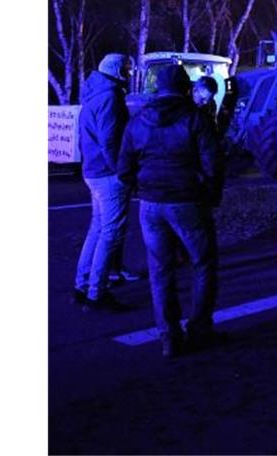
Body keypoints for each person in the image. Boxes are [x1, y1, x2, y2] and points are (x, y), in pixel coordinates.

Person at [118, 65, 224, 358]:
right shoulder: (196, 119)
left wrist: (141, 188)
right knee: (203, 263)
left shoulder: (138, 121)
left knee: (160, 269)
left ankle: (169, 336)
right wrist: (211, 196)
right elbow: (213, 164)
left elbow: (123, 168)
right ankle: (200, 328)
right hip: (187, 200)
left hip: (151, 205)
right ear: (185, 88)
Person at [74, 53, 137, 311]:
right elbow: (110, 141)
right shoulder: (111, 98)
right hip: (108, 174)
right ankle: (96, 293)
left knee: (98, 228)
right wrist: (121, 171)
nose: (130, 74)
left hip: (93, 171)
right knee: (110, 232)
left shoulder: (93, 96)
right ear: (117, 70)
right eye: (127, 69)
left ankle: (82, 283)